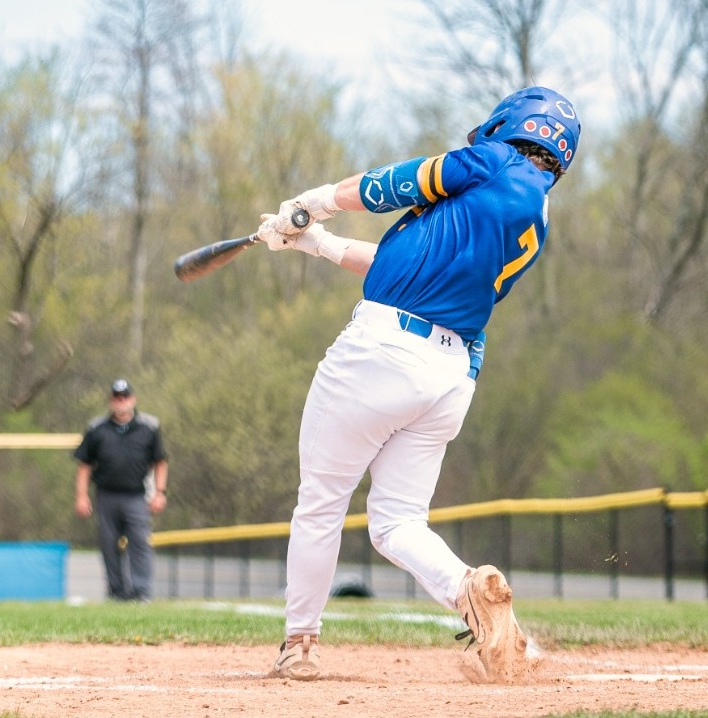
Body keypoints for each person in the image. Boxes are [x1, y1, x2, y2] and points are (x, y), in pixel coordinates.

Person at [256, 87, 581, 682]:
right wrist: (317, 243)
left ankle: (300, 644)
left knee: (322, 501)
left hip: (380, 350)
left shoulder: (490, 161)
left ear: (509, 124)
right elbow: (404, 264)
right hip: (450, 375)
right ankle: (470, 591)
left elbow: (389, 185)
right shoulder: (533, 217)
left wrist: (314, 202)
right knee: (397, 521)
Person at [73, 379, 169, 602]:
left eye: (125, 397)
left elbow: (160, 462)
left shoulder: (149, 427)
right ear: (111, 401)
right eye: (117, 397)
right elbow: (84, 465)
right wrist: (81, 496)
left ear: (133, 399)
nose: (121, 401)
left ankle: (141, 592)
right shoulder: (97, 428)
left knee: (140, 543)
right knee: (109, 545)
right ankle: (116, 592)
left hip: (137, 495)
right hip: (106, 495)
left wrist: (160, 492)